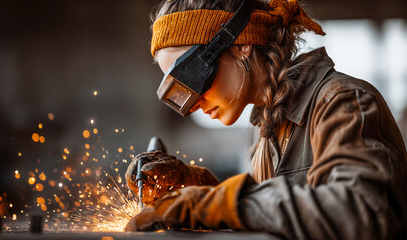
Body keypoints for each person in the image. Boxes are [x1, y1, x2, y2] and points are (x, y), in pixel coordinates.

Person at [125, 0, 407, 238]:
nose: (192, 104)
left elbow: (360, 213)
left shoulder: (340, 102)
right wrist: (193, 188)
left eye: (190, 79)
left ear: (240, 45)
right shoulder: (271, 129)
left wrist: (217, 204)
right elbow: (281, 217)